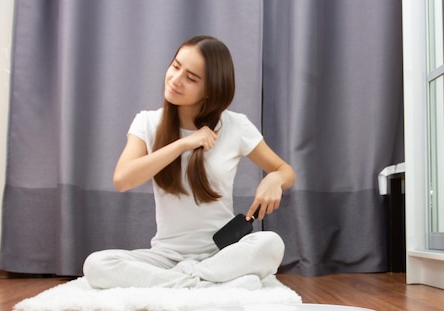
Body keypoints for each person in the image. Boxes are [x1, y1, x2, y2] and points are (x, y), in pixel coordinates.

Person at [83, 35, 296, 290]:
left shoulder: (236, 126)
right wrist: (184, 143)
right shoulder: (147, 122)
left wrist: (274, 178)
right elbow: (123, 179)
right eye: (175, 66)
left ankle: (184, 282)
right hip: (164, 257)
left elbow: (285, 171)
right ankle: (207, 283)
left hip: (221, 253)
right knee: (96, 265)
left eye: (191, 78)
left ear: (211, 89)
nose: (175, 79)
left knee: (271, 244)